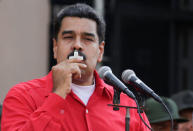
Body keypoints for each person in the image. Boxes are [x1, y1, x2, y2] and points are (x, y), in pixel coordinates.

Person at [1, 3, 150, 131]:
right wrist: (58, 94)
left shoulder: (128, 104)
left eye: (87, 39)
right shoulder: (23, 96)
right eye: (68, 37)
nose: (77, 45)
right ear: (55, 47)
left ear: (100, 51)